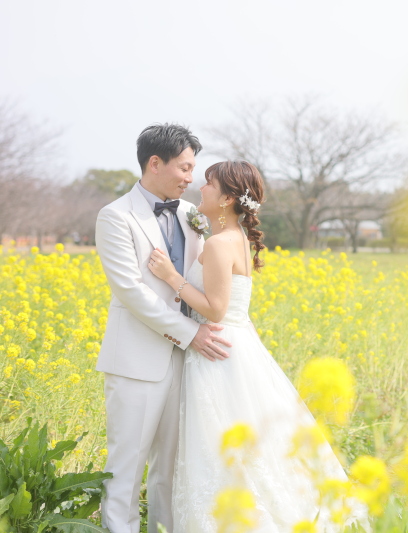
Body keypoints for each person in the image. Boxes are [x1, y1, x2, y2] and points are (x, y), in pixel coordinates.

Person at [148, 160, 370, 532]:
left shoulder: (220, 244)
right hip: (238, 344)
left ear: (228, 198)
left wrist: (171, 277)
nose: (200, 188)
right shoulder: (235, 237)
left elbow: (216, 309)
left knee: (221, 446)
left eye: (208, 183)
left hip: (218, 348)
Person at [95, 124, 233, 533]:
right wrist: (192, 334)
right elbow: (132, 293)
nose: (191, 178)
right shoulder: (115, 216)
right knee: (126, 463)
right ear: (155, 163)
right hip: (137, 359)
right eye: (185, 168)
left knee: (173, 467)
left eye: (194, 169)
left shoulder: (193, 214)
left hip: (190, 364)